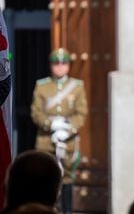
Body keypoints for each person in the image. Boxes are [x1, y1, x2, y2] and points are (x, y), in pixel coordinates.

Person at [31, 48, 88, 214]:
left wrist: (67, 129)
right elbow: (36, 112)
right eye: (57, 63)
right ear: (51, 65)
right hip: (46, 141)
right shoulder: (42, 86)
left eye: (64, 63)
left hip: (67, 141)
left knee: (68, 178)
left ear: (68, 66)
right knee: (45, 178)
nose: (60, 67)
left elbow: (81, 113)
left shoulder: (77, 87)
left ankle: (68, 211)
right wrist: (50, 124)